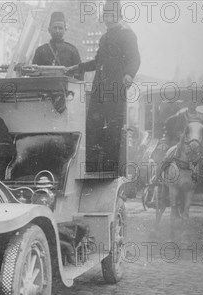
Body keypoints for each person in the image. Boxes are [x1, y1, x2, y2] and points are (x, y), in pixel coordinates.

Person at [72, 0, 140, 171]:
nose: (108, 19)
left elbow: (135, 58)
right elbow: (97, 62)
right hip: (99, 90)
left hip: (116, 89)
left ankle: (110, 170)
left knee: (113, 129)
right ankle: (92, 168)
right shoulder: (104, 37)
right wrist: (78, 67)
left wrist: (129, 74)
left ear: (119, 16)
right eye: (106, 15)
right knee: (92, 126)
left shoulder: (128, 35)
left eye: (112, 15)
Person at [32, 11, 83, 79]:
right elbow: (33, 74)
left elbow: (79, 74)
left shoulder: (72, 50)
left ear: (65, 29)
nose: (57, 31)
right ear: (49, 29)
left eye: (60, 28)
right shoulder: (40, 50)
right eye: (55, 28)